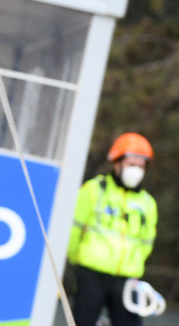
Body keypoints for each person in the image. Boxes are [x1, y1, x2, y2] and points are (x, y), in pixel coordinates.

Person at [67, 132, 159, 326]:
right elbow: (73, 230)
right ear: (117, 163)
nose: (136, 170)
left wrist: (133, 265)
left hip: (127, 279)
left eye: (141, 166)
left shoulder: (147, 203)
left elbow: (146, 243)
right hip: (91, 274)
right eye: (131, 164)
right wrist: (77, 259)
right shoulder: (93, 189)